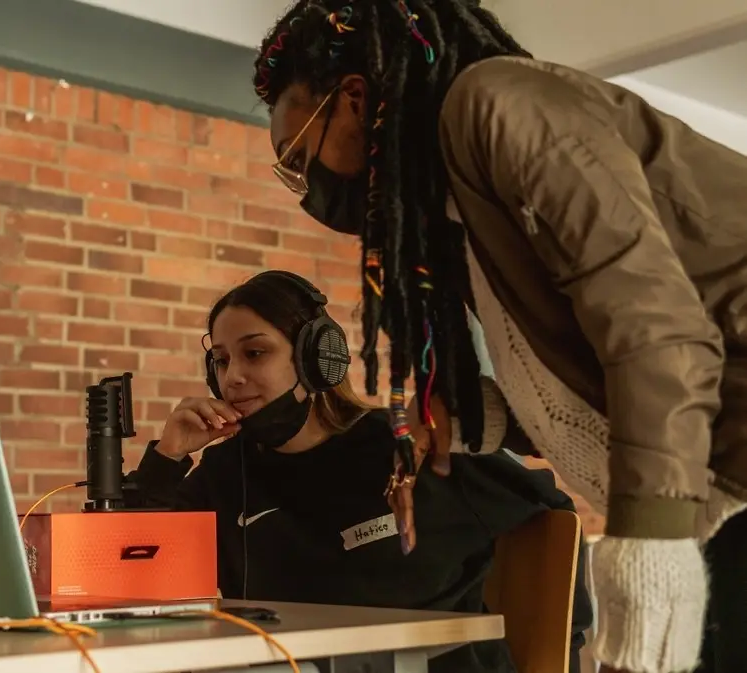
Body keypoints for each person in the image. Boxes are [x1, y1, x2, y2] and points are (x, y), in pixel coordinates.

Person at [250, 2, 747, 672]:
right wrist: (468, 420)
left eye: (297, 157)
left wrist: (650, 548)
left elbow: (657, 329)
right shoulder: (458, 210)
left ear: (356, 99)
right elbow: (591, 388)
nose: (302, 190)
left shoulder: (498, 104)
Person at [129, 270, 593, 673]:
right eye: (223, 361)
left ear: (317, 358)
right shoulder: (228, 472)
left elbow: (553, 521)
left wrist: (559, 658)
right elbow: (128, 574)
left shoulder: (410, 447)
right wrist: (167, 459)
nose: (232, 378)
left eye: (255, 354)